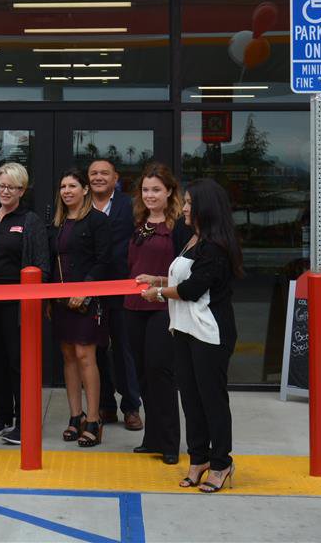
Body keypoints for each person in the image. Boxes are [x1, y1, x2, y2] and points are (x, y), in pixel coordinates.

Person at [140, 178, 241, 493]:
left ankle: (221, 462)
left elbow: (192, 288)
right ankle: (198, 459)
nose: (183, 208)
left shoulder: (216, 246)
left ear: (205, 208)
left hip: (210, 332)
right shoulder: (193, 238)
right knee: (191, 399)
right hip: (183, 330)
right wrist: (157, 278)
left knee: (212, 399)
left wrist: (157, 293)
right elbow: (183, 275)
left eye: (188, 203)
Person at [0, 162, 49, 446]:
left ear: (22, 190)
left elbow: (42, 267)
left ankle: (23, 421)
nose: (5, 191)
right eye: (1, 185)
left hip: (19, 307)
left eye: (12, 187)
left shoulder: (31, 221)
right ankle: (2, 415)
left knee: (20, 365)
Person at [124, 163, 190, 464]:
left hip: (164, 306)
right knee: (142, 375)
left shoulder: (179, 227)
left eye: (156, 190)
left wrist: (161, 285)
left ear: (169, 192)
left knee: (160, 372)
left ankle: (169, 442)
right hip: (133, 306)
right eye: (146, 190)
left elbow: (186, 273)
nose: (150, 195)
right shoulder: (138, 221)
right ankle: (152, 438)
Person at [49, 166, 111, 448]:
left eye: (72, 186)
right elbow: (53, 263)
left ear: (85, 190)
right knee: (68, 356)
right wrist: (51, 299)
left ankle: (94, 420)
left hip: (89, 300)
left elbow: (104, 260)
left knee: (86, 355)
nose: (67, 191)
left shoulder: (97, 221)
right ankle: (76, 416)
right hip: (61, 301)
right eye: (63, 187)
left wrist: (85, 289)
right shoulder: (58, 223)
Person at [87, 159, 142, 431]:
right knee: (96, 349)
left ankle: (131, 407)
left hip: (123, 289)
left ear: (115, 178)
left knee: (124, 349)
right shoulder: (81, 205)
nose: (99, 177)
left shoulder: (130, 206)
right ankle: (106, 406)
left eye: (104, 173)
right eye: (94, 173)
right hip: (90, 289)